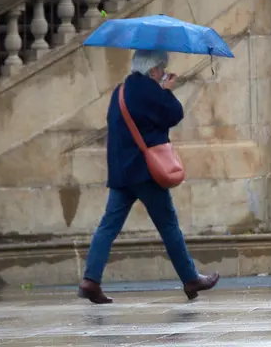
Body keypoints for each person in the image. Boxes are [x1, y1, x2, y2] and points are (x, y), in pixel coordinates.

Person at [77, 50, 219, 304]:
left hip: (122, 172)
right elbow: (175, 114)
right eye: (162, 68)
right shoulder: (150, 90)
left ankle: (90, 280)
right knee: (168, 225)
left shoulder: (120, 91)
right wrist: (166, 90)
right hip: (146, 172)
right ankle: (190, 278)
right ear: (153, 70)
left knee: (108, 226)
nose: (164, 72)